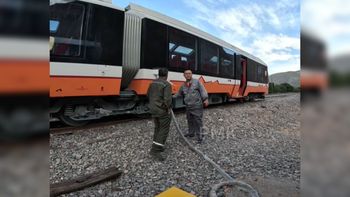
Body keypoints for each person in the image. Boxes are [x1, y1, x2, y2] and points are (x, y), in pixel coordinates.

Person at [174, 69, 209, 143]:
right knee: (190, 120)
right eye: (186, 74)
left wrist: (205, 99)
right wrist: (170, 97)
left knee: (198, 121)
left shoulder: (197, 82)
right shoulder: (183, 85)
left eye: (189, 73)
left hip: (197, 105)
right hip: (188, 106)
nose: (188, 75)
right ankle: (191, 133)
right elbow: (178, 94)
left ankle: (200, 137)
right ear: (184, 75)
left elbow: (203, 90)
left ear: (191, 74)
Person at [147, 68, 172, 161]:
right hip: (162, 111)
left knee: (157, 128)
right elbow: (167, 100)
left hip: (153, 109)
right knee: (163, 129)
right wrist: (168, 107)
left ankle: (157, 145)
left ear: (158, 74)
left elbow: (147, 94)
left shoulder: (152, 83)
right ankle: (155, 150)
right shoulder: (166, 84)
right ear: (167, 75)